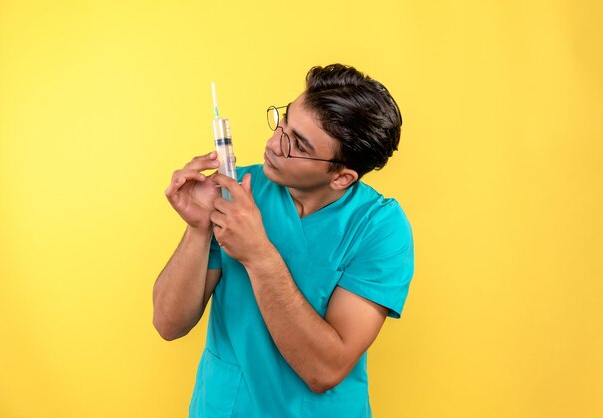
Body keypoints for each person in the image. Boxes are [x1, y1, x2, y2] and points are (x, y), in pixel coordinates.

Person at [152, 63, 414, 418]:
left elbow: (325, 370)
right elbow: (168, 324)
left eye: (298, 144)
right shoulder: (237, 190)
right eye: (283, 122)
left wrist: (258, 255)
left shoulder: (379, 227)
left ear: (341, 177)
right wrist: (198, 229)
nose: (274, 143)